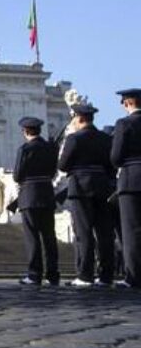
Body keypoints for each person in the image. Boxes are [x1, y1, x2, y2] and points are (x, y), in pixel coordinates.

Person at [58, 102, 115, 287]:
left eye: (74, 118)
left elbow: (63, 165)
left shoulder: (74, 138)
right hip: (102, 187)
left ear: (79, 118)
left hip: (80, 189)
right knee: (105, 233)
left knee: (83, 232)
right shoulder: (105, 139)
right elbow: (111, 165)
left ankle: (85, 274)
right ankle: (106, 275)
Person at [12, 116, 60, 286]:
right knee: (49, 236)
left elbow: (17, 175)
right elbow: (53, 172)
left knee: (32, 236)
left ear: (25, 131)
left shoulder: (25, 149)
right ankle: (53, 274)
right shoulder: (50, 148)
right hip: (46, 194)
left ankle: (34, 274)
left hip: (29, 196)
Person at [111, 88, 141, 288]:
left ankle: (134, 277)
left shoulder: (125, 123)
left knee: (131, 231)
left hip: (132, 180)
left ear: (127, 103)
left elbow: (116, 157)